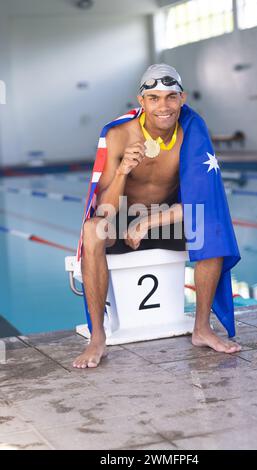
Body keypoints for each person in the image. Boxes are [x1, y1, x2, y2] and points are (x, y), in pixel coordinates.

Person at [73, 64, 241, 369]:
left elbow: (199, 202)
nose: (163, 106)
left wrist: (148, 222)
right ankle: (98, 337)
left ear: (182, 99)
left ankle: (202, 328)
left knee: (212, 226)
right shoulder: (118, 135)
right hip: (122, 217)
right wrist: (124, 170)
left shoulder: (191, 133)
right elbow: (104, 210)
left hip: (165, 219)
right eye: (154, 98)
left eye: (171, 97)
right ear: (141, 101)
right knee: (92, 231)